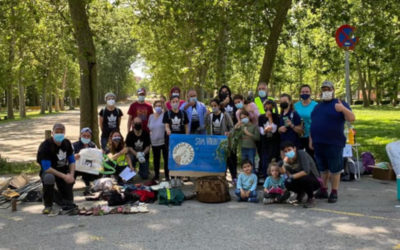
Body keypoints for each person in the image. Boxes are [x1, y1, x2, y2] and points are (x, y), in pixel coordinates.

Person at [310, 80, 355, 203]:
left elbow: (352, 118)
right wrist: (311, 139)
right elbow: (313, 124)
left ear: (333, 91)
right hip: (318, 142)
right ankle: (323, 189)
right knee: (323, 168)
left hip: (334, 142)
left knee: (335, 169)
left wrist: (342, 110)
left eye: (328, 89)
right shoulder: (317, 107)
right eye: (324, 90)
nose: (326, 92)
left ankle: (334, 191)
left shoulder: (340, 104)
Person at [36, 123, 76, 214]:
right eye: (57, 132)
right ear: (52, 133)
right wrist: (64, 176)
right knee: (49, 178)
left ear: (64, 132)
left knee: (68, 202)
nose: (59, 134)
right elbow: (47, 168)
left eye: (61, 132)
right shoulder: (45, 146)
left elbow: (72, 161)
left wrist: (71, 175)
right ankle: (48, 205)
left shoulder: (67, 143)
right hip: (50, 172)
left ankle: (58, 196)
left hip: (63, 170)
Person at [280, 141, 321, 208]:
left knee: (304, 178)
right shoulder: (287, 159)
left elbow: (306, 171)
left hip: (313, 179)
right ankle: (300, 193)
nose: (288, 152)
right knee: (287, 182)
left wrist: (291, 177)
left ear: (294, 148)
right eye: (285, 151)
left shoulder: (301, 153)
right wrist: (283, 164)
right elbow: (285, 173)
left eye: (289, 149)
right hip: (299, 178)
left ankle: (311, 198)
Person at [218, 86, 238, 184]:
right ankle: (223, 175)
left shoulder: (233, 103)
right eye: (222, 92)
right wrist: (223, 103)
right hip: (221, 133)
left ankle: (234, 176)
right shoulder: (219, 103)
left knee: (232, 155)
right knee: (223, 155)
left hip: (233, 132)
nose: (225, 93)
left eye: (226, 92)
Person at [258, 100, 281, 179]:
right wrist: (265, 130)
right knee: (264, 160)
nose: (268, 109)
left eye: (270, 108)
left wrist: (270, 118)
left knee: (274, 161)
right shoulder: (261, 117)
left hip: (275, 143)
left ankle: (275, 178)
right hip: (265, 143)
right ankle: (265, 177)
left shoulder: (276, 116)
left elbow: (274, 130)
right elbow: (261, 131)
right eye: (266, 107)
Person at [72, 127, 98, 195]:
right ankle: (69, 187)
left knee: (97, 170)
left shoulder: (93, 145)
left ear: (91, 137)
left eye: (88, 136)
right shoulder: (74, 145)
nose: (86, 137)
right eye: (84, 136)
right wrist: (74, 156)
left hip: (87, 166)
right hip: (76, 167)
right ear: (80, 135)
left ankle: (88, 187)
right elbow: (68, 156)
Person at [294, 84, 318, 155]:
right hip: (298, 135)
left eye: (307, 92)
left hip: (311, 136)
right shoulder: (295, 105)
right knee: (299, 157)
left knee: (311, 157)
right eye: (303, 92)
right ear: (300, 93)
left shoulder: (316, 105)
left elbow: (317, 122)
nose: (305, 93)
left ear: (310, 93)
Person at [148, 100, 169, 181]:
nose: (158, 107)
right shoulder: (151, 116)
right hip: (154, 142)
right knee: (156, 160)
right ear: (154, 107)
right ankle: (156, 175)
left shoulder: (165, 115)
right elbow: (149, 128)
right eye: (157, 105)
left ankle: (167, 176)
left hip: (164, 141)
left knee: (166, 159)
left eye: (160, 105)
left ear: (162, 106)